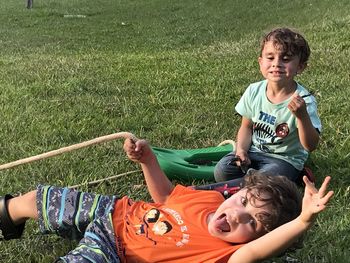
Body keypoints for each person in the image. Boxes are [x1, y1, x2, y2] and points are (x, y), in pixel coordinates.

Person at [0, 138, 333, 263]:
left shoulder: (226, 254)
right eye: (243, 202)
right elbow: (165, 197)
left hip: (115, 251)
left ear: (261, 238)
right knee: (41, 199)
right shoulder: (208, 202)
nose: (236, 216)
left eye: (252, 224)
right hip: (116, 211)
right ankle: (6, 216)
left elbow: (255, 252)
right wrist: (148, 161)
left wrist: (302, 221)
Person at [214, 27, 322, 183]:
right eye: (270, 57)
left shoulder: (303, 101)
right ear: (260, 62)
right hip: (253, 152)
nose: (276, 64)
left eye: (286, 59)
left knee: (266, 180)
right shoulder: (254, 90)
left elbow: (310, 145)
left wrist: (302, 116)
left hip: (284, 159)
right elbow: (246, 127)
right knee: (222, 171)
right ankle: (258, 180)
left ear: (300, 66)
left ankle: (265, 181)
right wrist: (241, 150)